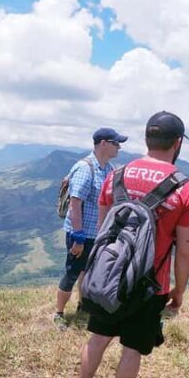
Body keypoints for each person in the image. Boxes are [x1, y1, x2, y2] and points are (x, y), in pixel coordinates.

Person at [70, 112, 189, 378]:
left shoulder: (116, 176)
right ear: (177, 143)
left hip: (110, 275)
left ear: (146, 138)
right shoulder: (185, 190)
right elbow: (185, 250)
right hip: (150, 284)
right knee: (131, 348)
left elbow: (104, 229)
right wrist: (179, 291)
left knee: (98, 337)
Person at [54, 127, 126, 330]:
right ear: (103, 143)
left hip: (98, 234)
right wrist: (78, 237)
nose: (119, 147)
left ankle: (83, 307)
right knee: (73, 272)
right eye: (115, 143)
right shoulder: (86, 169)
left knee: (88, 273)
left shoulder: (109, 169)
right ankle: (59, 313)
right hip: (81, 233)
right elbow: (75, 204)